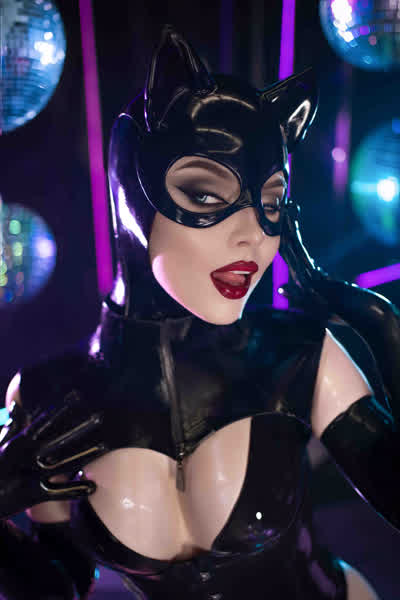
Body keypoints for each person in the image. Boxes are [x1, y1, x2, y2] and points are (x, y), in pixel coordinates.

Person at [1, 25, 399, 600]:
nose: (253, 237)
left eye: (270, 203)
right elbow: (55, 589)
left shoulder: (301, 354)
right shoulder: (47, 395)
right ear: (129, 193)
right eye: (206, 195)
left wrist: (384, 332)